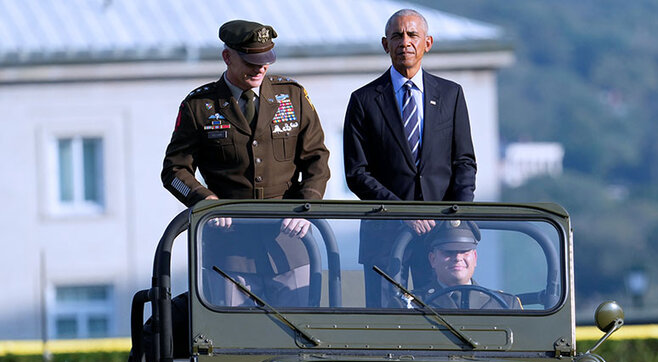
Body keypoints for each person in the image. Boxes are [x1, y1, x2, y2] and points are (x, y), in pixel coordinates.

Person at [161, 19, 331, 304]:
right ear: (227, 57)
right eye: (251, 61)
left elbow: (317, 159)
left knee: (296, 341)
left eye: (266, 60)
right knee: (235, 342)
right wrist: (205, 201)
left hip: (289, 247)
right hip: (230, 250)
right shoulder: (200, 107)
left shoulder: (292, 96)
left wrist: (308, 203)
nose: (261, 68)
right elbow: (174, 171)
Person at [343, 8, 477, 306]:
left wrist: (457, 219)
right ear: (385, 44)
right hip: (384, 239)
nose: (405, 42)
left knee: (444, 322)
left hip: (441, 240)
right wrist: (402, 212)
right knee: (384, 328)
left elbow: (464, 163)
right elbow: (357, 173)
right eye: (397, 36)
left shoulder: (451, 94)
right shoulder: (363, 100)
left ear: (427, 43)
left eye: (412, 35)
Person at [415, 220, 522, 310]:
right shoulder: (413, 304)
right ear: (432, 259)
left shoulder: (506, 305)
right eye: (448, 252)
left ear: (475, 258)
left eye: (464, 251)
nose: (457, 258)